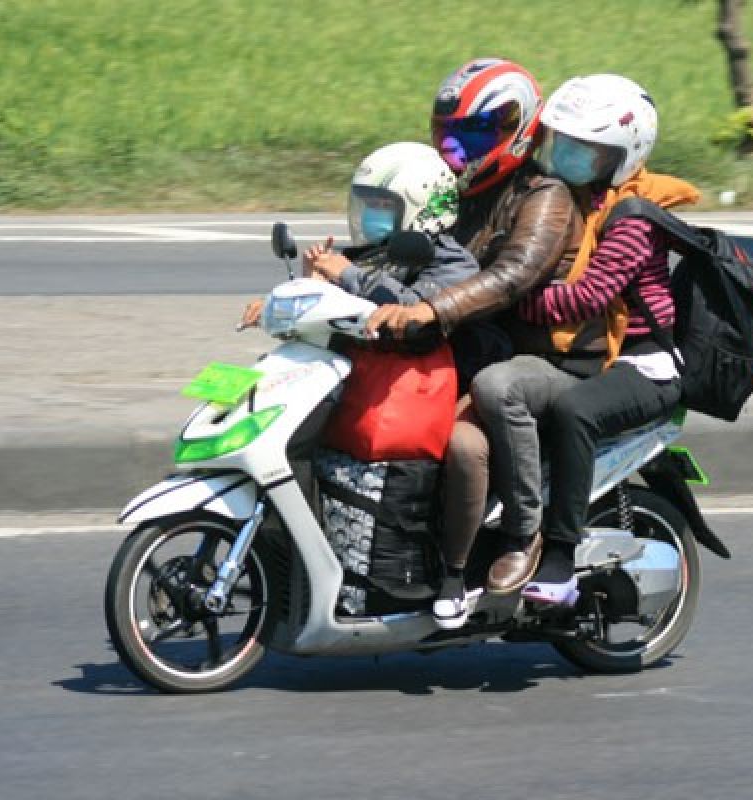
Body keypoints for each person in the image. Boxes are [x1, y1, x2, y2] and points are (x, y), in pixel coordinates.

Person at [365, 58, 585, 630]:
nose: (460, 148)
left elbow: (510, 276)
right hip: (467, 348)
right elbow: (411, 246)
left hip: (532, 360)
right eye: (451, 134)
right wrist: (343, 273)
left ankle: (500, 547)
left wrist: (429, 309)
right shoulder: (456, 194)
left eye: (479, 131)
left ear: (518, 128)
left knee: (462, 444)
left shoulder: (545, 197)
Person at [470, 74, 700, 606]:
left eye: (585, 148)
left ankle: (558, 558)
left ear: (622, 155)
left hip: (645, 365)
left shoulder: (633, 217)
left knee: (575, 410)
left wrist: (504, 295)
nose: (567, 154)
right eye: (562, 142)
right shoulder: (571, 200)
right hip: (598, 356)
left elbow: (586, 298)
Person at [240, 141, 475, 328]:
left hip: (420, 373)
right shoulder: (368, 256)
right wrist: (297, 295)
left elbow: (412, 310)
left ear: (424, 206)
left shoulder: (453, 263)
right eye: (368, 204)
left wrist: (346, 274)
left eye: (383, 205)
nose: (371, 214)